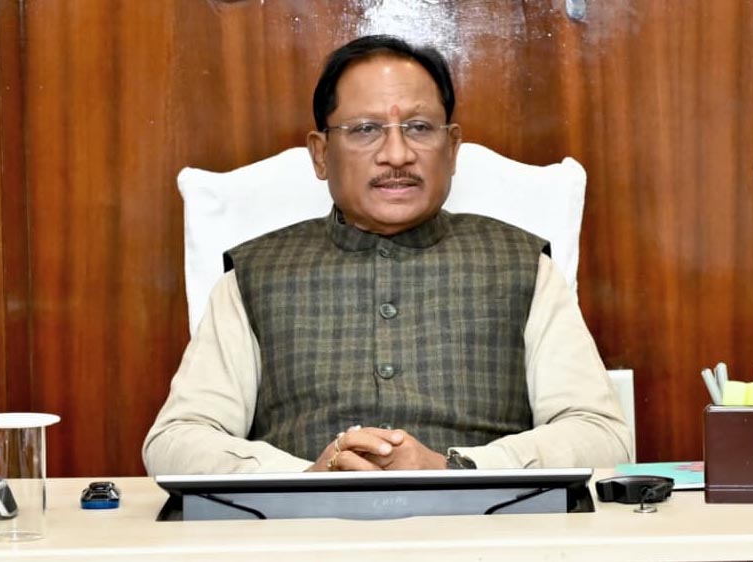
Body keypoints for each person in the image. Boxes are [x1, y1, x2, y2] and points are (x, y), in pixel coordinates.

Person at [143, 35, 631, 474]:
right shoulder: (255, 274)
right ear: (320, 153)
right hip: (300, 531)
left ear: (452, 148)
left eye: (418, 127)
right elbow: (176, 439)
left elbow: (602, 435)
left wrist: (454, 468)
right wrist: (304, 477)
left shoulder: (522, 265)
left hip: (482, 528)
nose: (397, 155)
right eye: (364, 129)